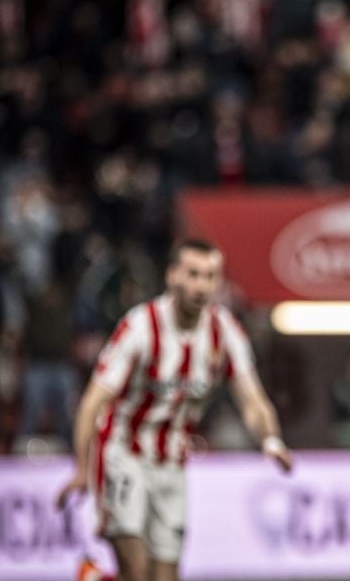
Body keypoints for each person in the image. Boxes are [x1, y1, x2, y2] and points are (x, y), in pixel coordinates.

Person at [56, 238, 292, 581]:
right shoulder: (141, 326)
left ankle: (93, 578)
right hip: (122, 451)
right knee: (137, 571)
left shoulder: (224, 332)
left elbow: (252, 399)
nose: (201, 286)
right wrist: (82, 468)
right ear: (172, 276)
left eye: (210, 276)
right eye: (193, 274)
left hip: (172, 461)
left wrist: (271, 440)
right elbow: (93, 401)